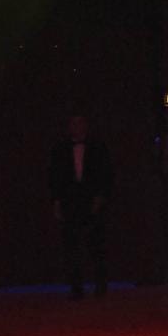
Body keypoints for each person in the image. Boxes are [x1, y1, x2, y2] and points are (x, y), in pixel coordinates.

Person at [48, 114, 112, 299]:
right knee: (72, 247)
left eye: (80, 123)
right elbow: (55, 177)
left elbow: (106, 173)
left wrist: (100, 197)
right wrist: (57, 201)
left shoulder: (97, 147)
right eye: (74, 123)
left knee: (96, 245)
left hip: (92, 201)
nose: (77, 127)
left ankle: (100, 285)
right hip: (71, 202)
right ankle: (77, 288)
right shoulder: (60, 149)